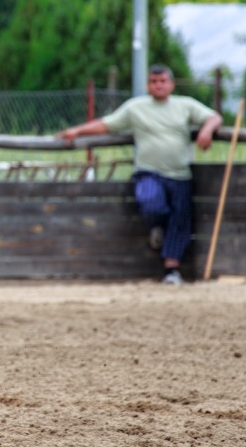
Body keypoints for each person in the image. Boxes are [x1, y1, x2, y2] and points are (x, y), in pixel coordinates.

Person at [56, 64, 223, 285]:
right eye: (154, 82)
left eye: (163, 81)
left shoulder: (185, 105)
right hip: (149, 172)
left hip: (180, 174)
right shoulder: (136, 107)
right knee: (150, 202)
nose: (159, 85)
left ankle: (171, 271)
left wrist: (206, 130)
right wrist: (77, 131)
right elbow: (107, 124)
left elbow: (214, 117)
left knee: (180, 220)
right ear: (148, 85)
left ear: (171, 84)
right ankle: (157, 227)